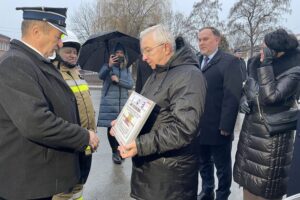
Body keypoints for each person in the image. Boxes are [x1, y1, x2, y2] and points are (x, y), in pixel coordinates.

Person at [0, 7, 99, 200]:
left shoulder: (34, 62)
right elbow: (36, 122)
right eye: (58, 36)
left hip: (35, 180)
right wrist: (83, 136)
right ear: (36, 31)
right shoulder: (15, 64)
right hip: (24, 186)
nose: (60, 43)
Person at [111, 24, 206, 200]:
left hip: (170, 178)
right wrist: (124, 124)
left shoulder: (189, 75)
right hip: (150, 171)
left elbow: (184, 129)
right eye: (142, 51)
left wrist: (140, 145)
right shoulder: (157, 72)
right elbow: (146, 111)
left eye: (148, 50)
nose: (144, 57)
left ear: (166, 47)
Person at [233, 28, 300, 200]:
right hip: (250, 135)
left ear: (278, 51)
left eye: (266, 48)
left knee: (264, 190)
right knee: (248, 187)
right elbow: (248, 88)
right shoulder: (255, 63)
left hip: (271, 142)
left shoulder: (294, 69)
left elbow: (270, 96)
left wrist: (267, 65)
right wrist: (243, 100)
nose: (261, 50)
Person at [197, 27, 243, 200]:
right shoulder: (197, 60)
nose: (201, 42)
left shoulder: (229, 61)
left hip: (219, 126)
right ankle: (207, 189)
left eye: (205, 39)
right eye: (199, 39)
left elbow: (232, 95)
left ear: (217, 40)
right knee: (203, 163)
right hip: (199, 125)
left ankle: (222, 194)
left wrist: (227, 125)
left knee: (222, 166)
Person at [52, 30, 96, 200]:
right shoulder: (53, 75)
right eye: (68, 51)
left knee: (80, 184)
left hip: (87, 142)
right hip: (69, 144)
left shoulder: (78, 73)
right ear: (57, 52)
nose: (73, 55)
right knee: (64, 190)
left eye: (75, 52)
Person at [97, 42, 134, 164]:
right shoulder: (107, 66)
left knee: (122, 129)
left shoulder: (126, 69)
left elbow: (130, 84)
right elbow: (100, 76)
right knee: (111, 129)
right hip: (109, 103)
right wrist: (109, 65)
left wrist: (118, 81)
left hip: (123, 103)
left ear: (124, 55)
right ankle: (115, 152)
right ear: (113, 54)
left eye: (121, 53)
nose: (119, 54)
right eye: (117, 52)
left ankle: (120, 150)